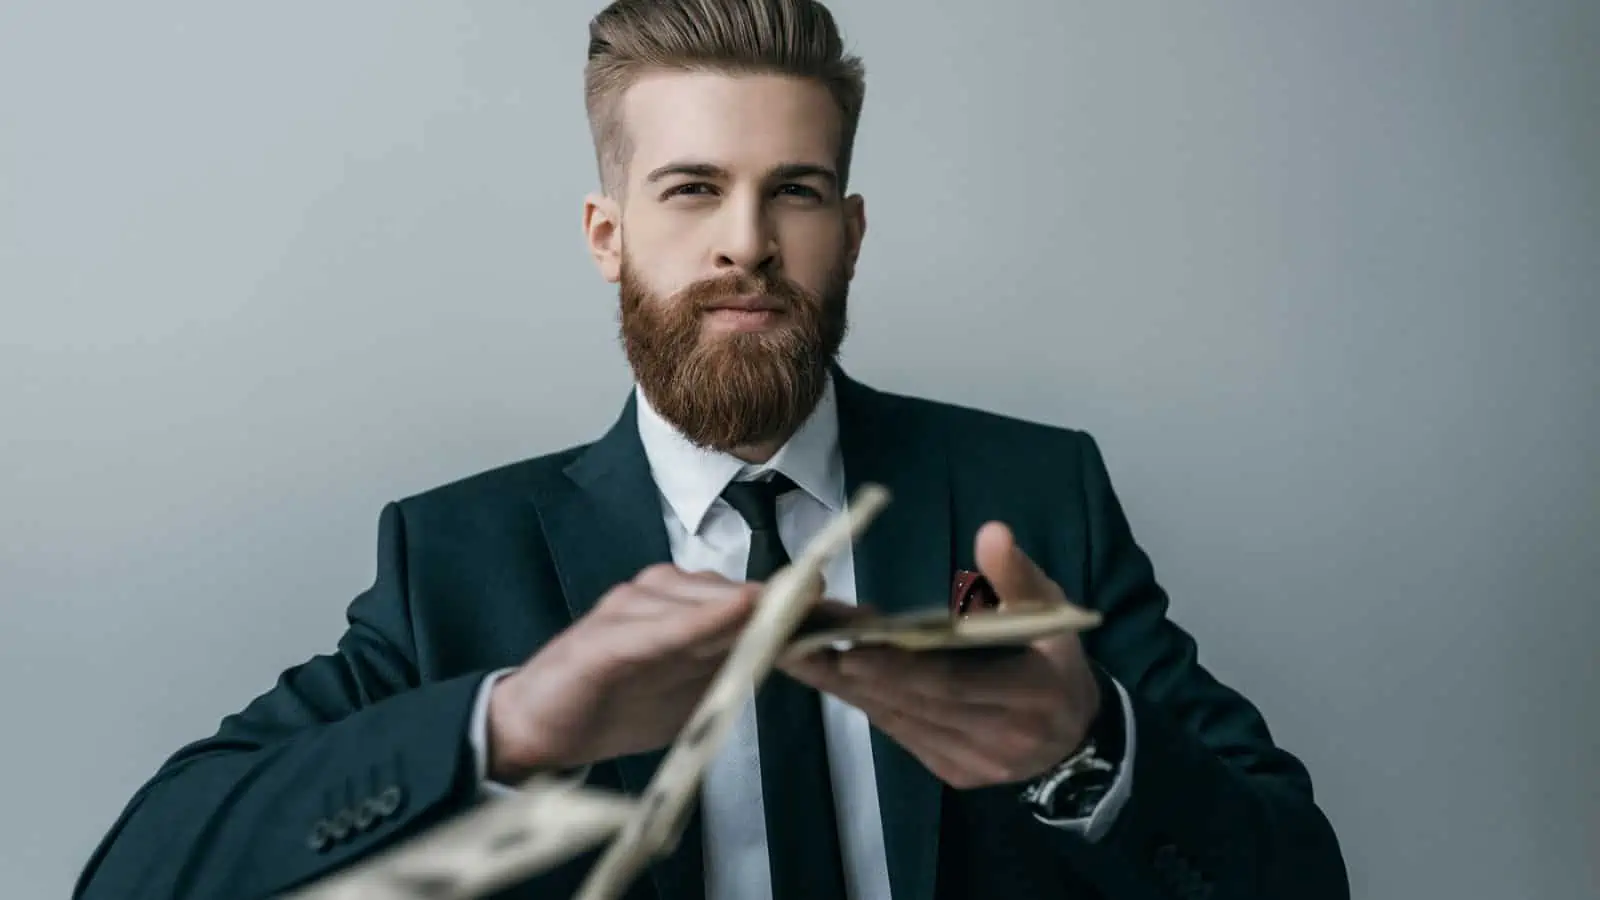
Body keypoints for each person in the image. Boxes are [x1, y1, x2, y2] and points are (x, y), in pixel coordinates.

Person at [73, 1, 1348, 898]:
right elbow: (141, 875)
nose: (746, 241)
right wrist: (504, 730)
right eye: (690, 189)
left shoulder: (1030, 497)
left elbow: (1296, 876)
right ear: (604, 232)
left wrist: (1088, 751)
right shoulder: (455, 557)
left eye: (793, 191)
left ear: (848, 233)